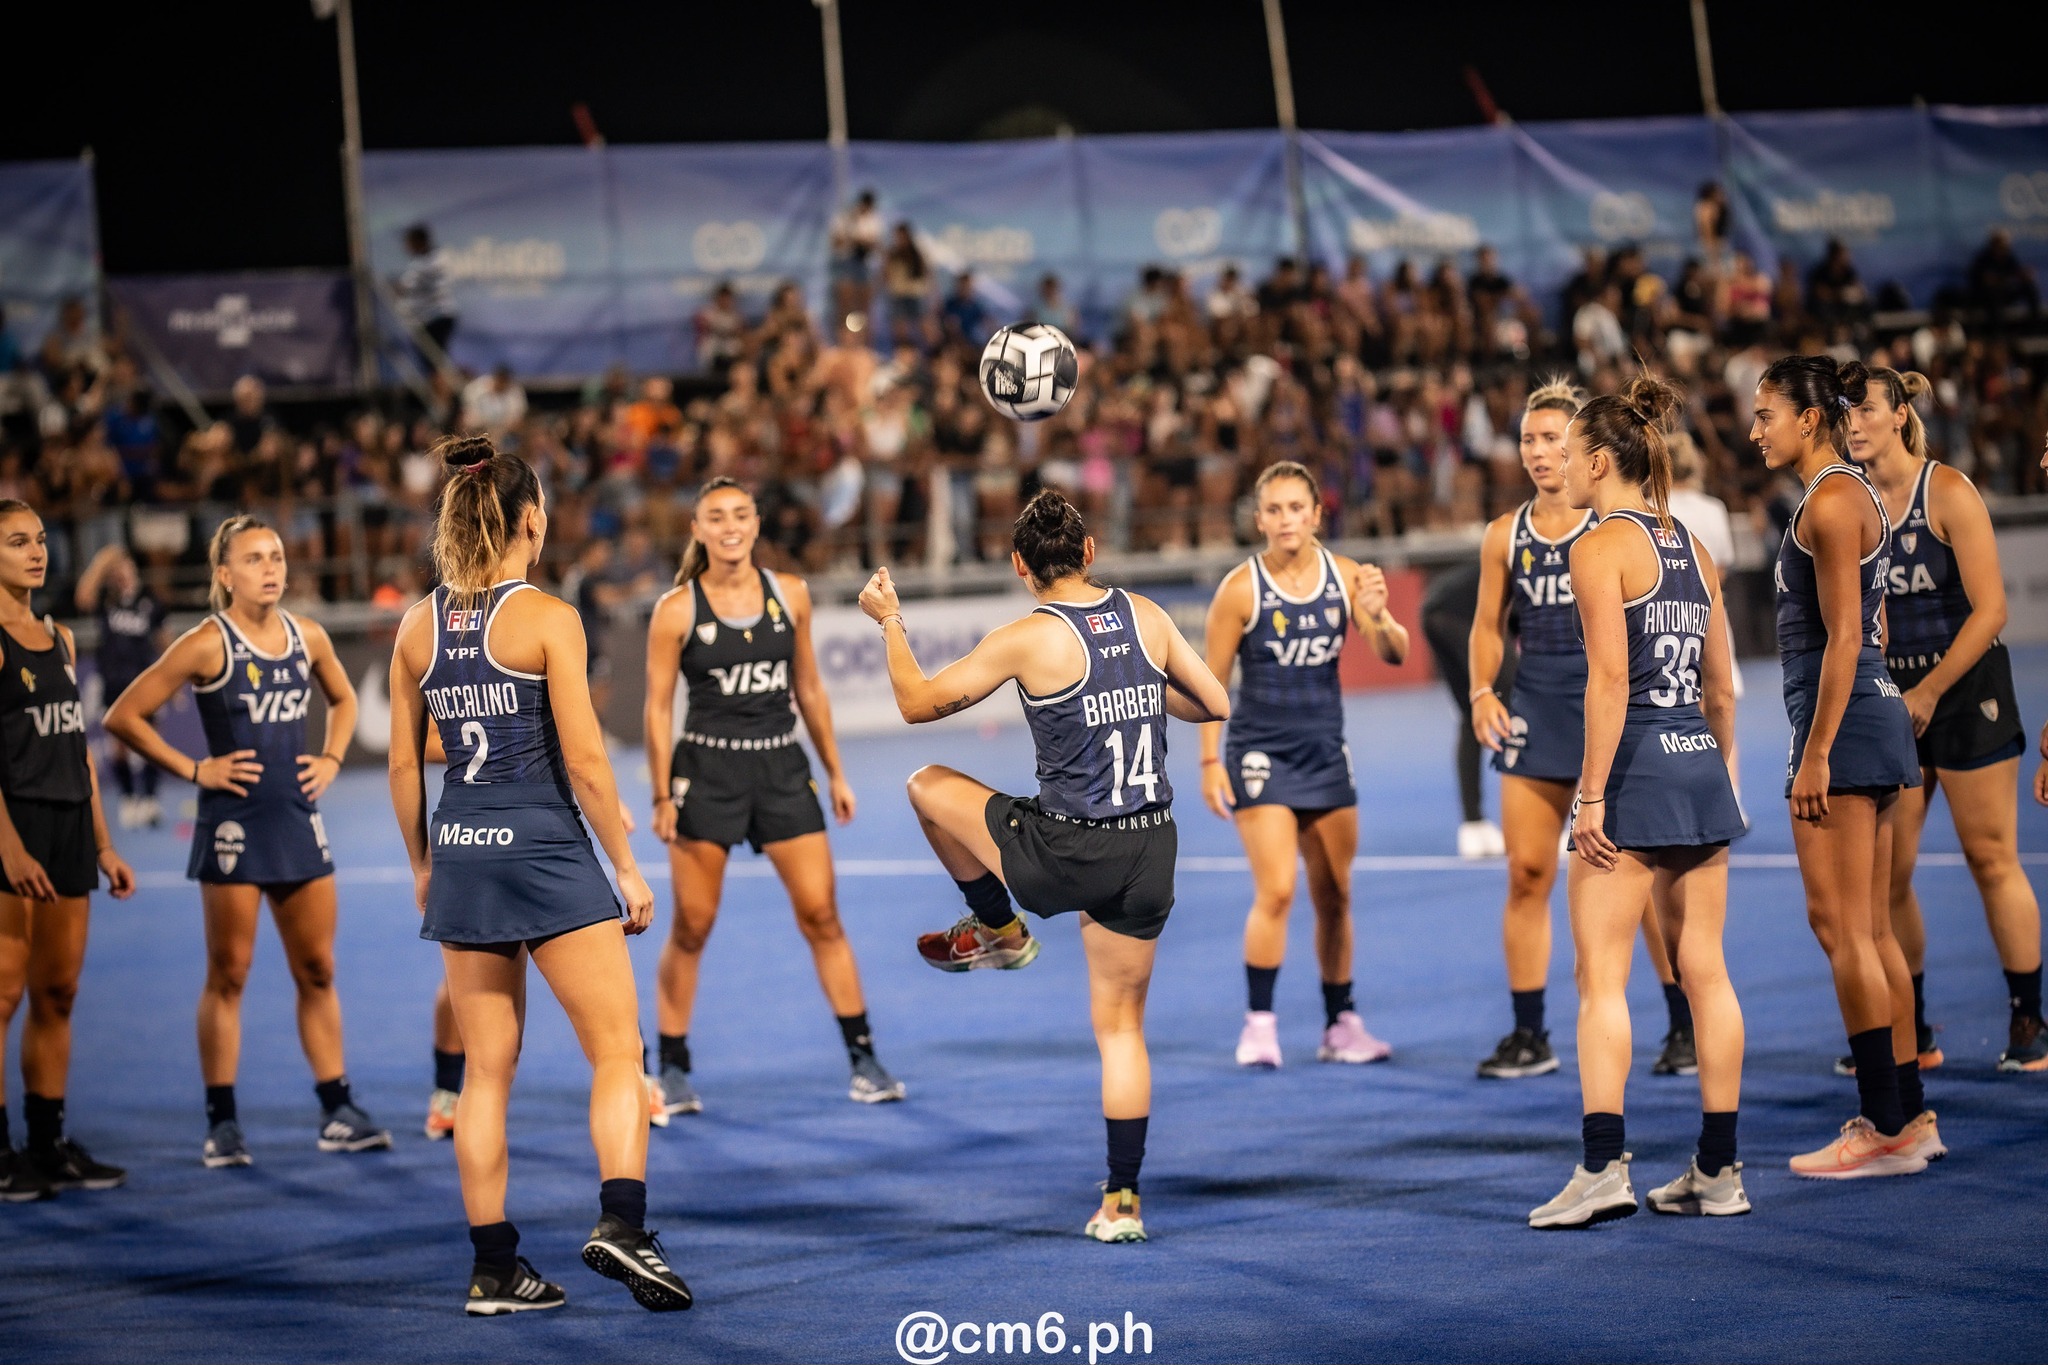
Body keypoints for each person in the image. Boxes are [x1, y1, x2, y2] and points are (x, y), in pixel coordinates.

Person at [862, 490, 1229, 1243]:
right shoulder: (1148, 616)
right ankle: (1122, 1201)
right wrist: (1136, 689)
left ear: (1019, 566)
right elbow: (1214, 699)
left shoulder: (1029, 637)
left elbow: (915, 701)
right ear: (1091, 552)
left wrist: (889, 619)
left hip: (1069, 849)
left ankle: (1000, 926)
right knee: (1122, 1030)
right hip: (1150, 846)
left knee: (926, 786)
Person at [388, 435, 688, 1314]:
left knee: (485, 1072)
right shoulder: (550, 616)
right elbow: (588, 762)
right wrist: (626, 865)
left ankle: (493, 1269)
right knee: (616, 1052)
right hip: (548, 848)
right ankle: (622, 1223)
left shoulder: (416, 626)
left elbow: (408, 766)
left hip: (463, 852)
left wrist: (420, 863)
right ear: (532, 520)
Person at [1526, 377, 1750, 1228]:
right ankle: (1719, 1169)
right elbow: (1723, 688)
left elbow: (1611, 681)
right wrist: (1716, 770)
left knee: (1600, 979)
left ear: (1600, 459)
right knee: (1708, 972)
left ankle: (1601, 1167)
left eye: (1570, 449)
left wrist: (1591, 797)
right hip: (1697, 764)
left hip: (1634, 771)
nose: (1560, 463)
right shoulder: (1692, 543)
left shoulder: (1596, 545)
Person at [106, 516, 388, 1168]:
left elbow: (344, 701)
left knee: (318, 969)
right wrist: (196, 769)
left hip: (295, 817)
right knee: (228, 974)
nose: (271, 567)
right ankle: (223, 1120)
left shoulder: (307, 634)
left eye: (278, 555)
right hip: (232, 824)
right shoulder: (208, 643)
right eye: (255, 558)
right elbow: (125, 714)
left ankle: (337, 1107)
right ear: (224, 574)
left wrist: (334, 758)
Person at [642, 477, 901, 1117]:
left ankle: (864, 1057)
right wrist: (660, 795)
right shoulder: (676, 609)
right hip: (706, 773)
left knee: (822, 915)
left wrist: (835, 771)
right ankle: (671, 1066)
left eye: (740, 514)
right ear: (698, 529)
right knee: (693, 927)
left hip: (783, 769)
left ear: (756, 523)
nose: (730, 526)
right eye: (715, 517)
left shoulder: (792, 595)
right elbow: (655, 710)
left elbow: (808, 689)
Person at [1469, 380, 1694, 1081]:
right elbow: (1485, 626)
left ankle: (1682, 1022)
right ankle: (1530, 1032)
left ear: (1585, 451)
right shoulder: (1504, 533)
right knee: (1526, 873)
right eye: (1529, 439)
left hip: (1615, 708)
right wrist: (1481, 690)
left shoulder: (1617, 527)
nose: (1540, 452)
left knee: (1641, 881)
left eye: (1553, 440)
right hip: (1537, 706)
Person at [1754, 355, 1937, 1178]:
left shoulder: (1829, 500)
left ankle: (1884, 1126)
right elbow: (1873, 623)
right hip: (1870, 714)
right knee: (1864, 928)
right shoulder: (1849, 494)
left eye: (1767, 413)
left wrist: (1816, 751)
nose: (1756, 428)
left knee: (1842, 930)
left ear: (1809, 419)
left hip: (1845, 726)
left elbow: (1845, 637)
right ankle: (1908, 1115)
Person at [1848, 367, 2041, 1072]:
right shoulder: (1856, 499)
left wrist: (1928, 690)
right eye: (1847, 413)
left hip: (1965, 688)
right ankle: (1912, 1027)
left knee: (1991, 857)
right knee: (1888, 875)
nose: (1855, 422)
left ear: (1900, 414)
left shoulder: (1948, 491)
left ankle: (2029, 1019)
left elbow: (1992, 609)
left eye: (1867, 409)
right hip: (1896, 694)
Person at [1199, 461, 1409, 1066]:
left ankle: (1340, 1024)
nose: (1287, 520)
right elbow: (1213, 686)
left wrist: (1382, 612)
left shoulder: (1345, 578)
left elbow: (1394, 653)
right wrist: (1211, 761)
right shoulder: (1240, 589)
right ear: (1259, 518)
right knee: (1278, 890)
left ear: (1318, 515)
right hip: (1260, 755)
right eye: (1275, 510)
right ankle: (1259, 1024)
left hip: (1325, 753)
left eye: (1298, 508)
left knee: (1336, 894)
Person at [0, 501, 135, 1201]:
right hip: (12, 827)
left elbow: (78, 751)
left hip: (69, 830)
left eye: (40, 539)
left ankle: (48, 1143)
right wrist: (11, 849)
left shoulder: (58, 637)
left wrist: (105, 843)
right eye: (17, 541)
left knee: (58, 990)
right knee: (3, 992)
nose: (36, 551)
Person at [74, 545, 168, 828]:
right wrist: (103, 560)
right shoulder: (107, 599)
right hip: (114, 683)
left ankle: (150, 800)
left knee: (151, 742)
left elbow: (164, 641)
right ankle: (129, 799)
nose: (122, 574)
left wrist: (172, 682)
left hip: (144, 682)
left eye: (126, 567)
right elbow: (82, 597)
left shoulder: (150, 600)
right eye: (117, 570)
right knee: (120, 747)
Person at [1420, 561, 1505, 858]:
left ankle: (1473, 825)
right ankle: (1542, 820)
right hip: (1459, 618)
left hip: (1431, 613)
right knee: (1516, 704)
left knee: (1471, 717)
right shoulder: (1526, 571)